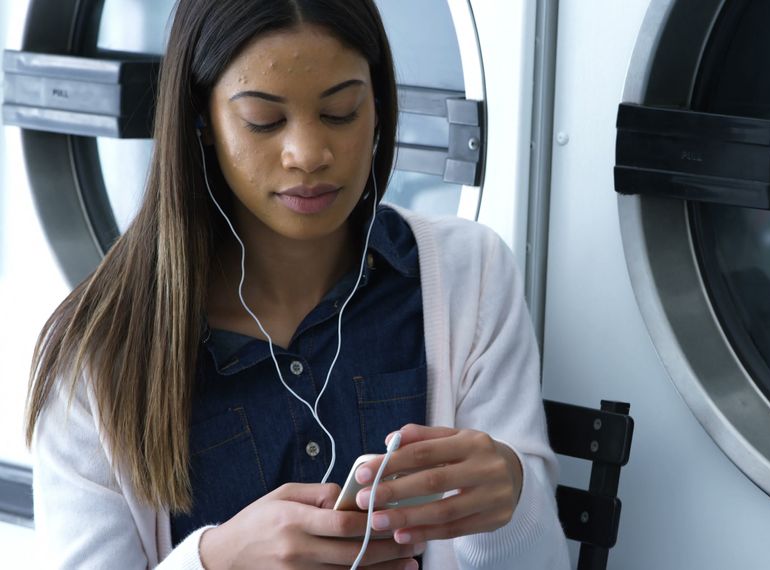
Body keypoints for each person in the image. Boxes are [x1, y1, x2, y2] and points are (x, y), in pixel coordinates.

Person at [24, 1, 569, 568]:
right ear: (201, 120)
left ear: (379, 107)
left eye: (341, 112)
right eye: (264, 119)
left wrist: (514, 501)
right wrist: (217, 560)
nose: (309, 154)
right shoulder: (97, 350)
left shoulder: (469, 274)